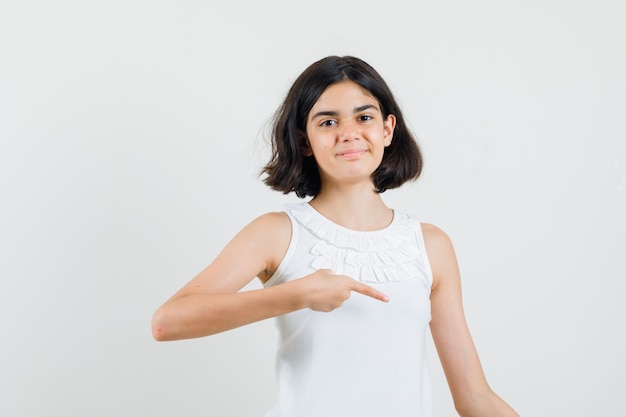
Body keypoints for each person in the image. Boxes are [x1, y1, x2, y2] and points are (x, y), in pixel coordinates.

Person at [152, 55, 520, 417]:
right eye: (327, 122)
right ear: (305, 140)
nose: (349, 133)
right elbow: (169, 321)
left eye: (364, 117)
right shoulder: (277, 233)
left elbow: (474, 397)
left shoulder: (431, 245)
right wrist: (296, 294)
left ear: (387, 129)